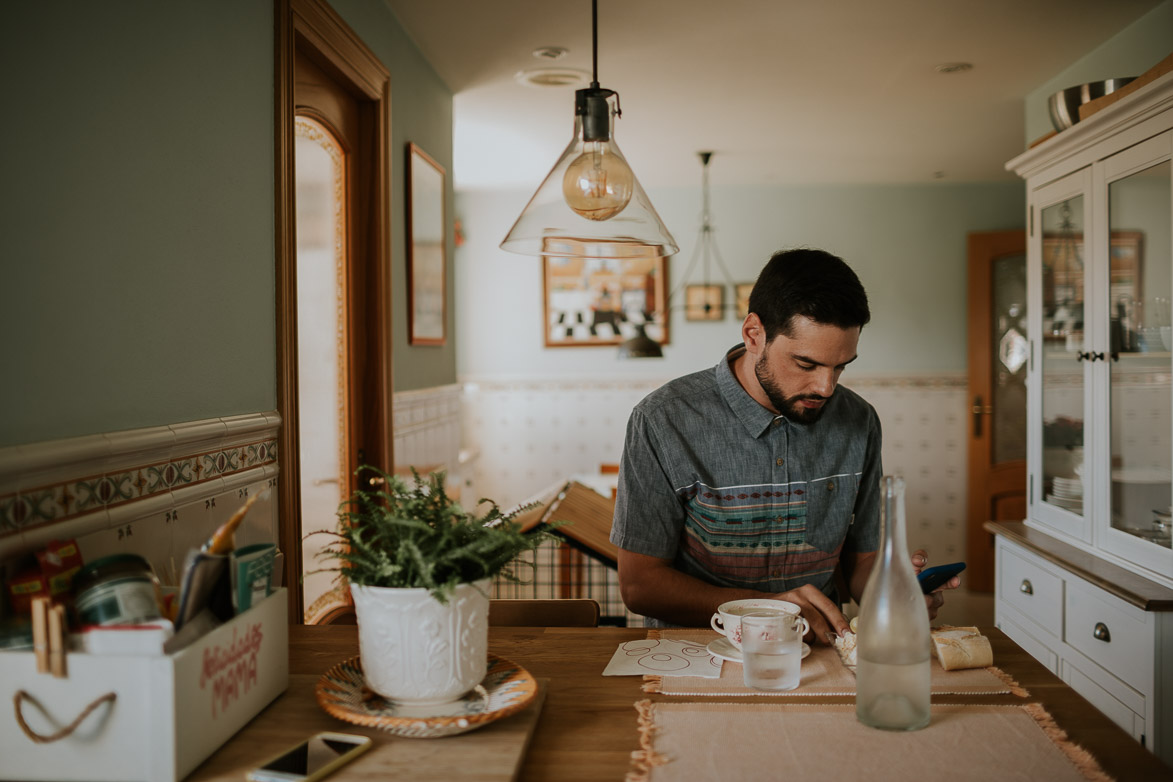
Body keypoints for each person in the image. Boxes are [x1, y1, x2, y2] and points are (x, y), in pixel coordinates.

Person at [609, 248, 959, 642]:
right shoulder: (662, 420)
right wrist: (771, 609)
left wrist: (893, 593)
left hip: (822, 649)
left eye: (841, 366)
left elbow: (863, 564)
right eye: (806, 365)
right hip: (699, 651)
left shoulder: (860, 422)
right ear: (754, 334)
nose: (826, 388)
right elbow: (640, 587)